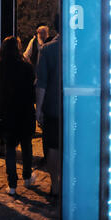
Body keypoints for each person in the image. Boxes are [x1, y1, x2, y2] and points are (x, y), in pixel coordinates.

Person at [0, 36, 36, 195]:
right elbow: (31, 90)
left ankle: (12, 185)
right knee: (26, 145)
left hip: (7, 111)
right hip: (25, 110)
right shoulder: (26, 66)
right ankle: (28, 177)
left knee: (9, 148)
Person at [36, 18, 60, 200]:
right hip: (81, 109)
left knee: (52, 146)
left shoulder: (48, 49)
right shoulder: (85, 49)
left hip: (53, 106)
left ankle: (55, 184)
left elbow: (41, 83)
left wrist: (38, 109)